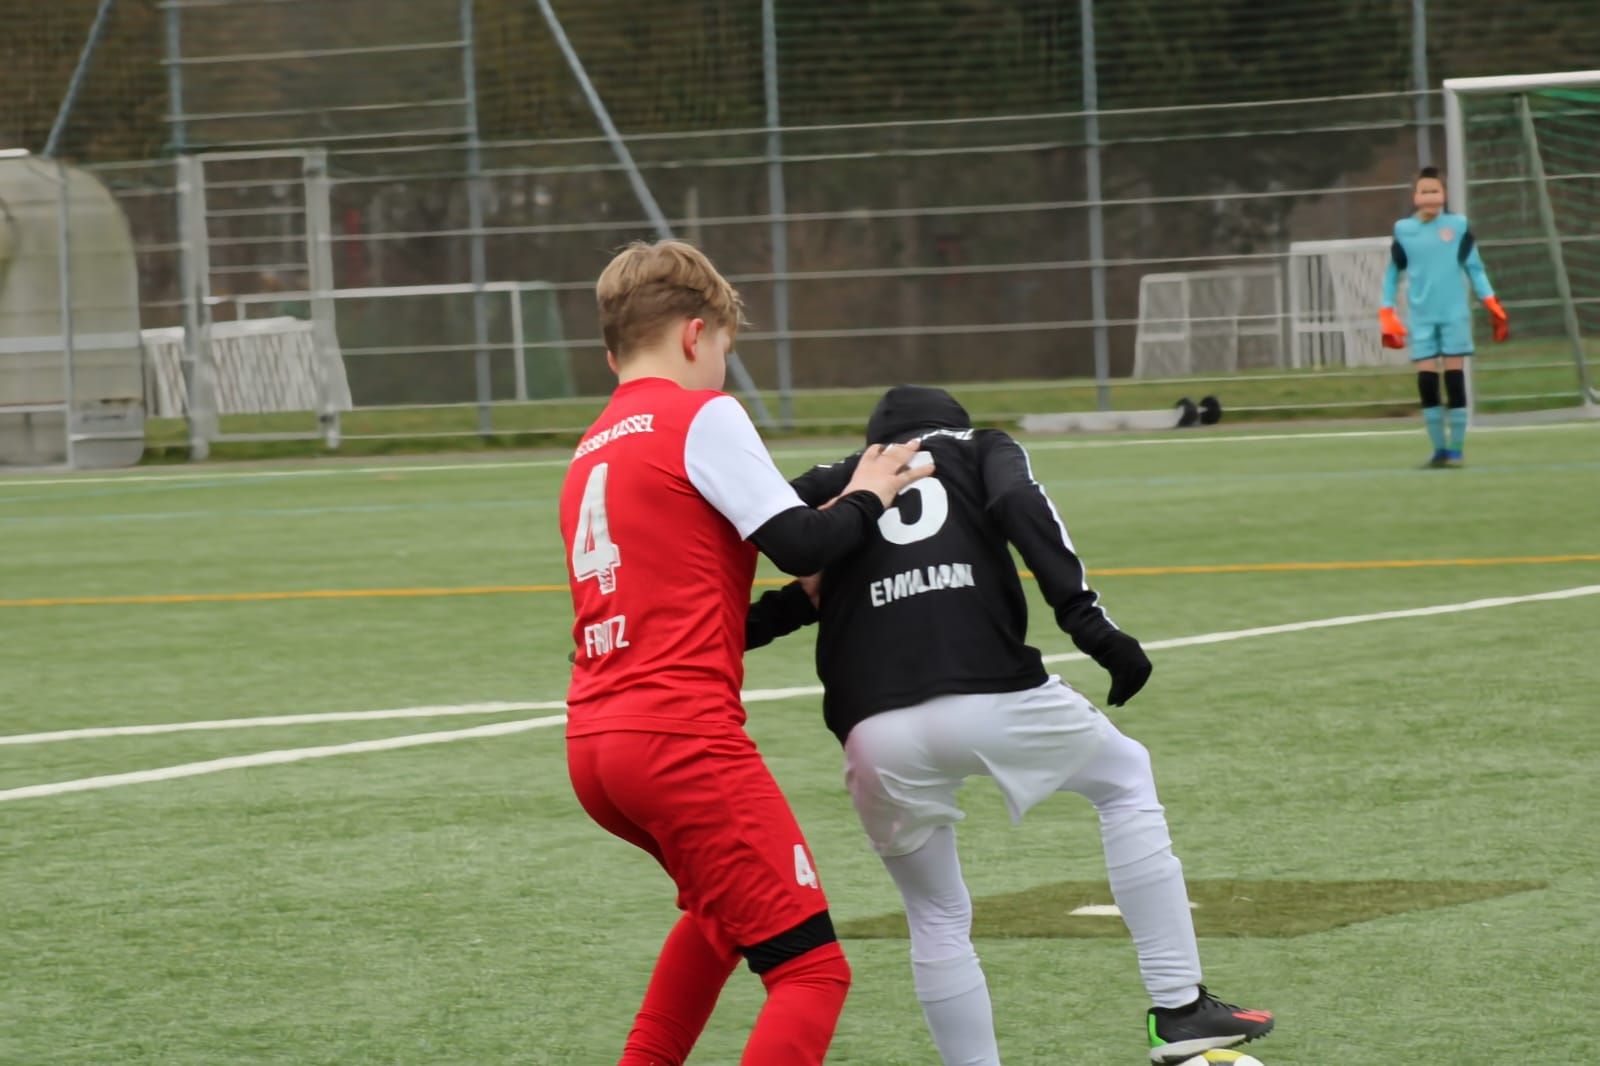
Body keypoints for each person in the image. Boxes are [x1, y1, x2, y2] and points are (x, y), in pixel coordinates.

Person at [747, 385, 1275, 1066]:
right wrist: (1090, 626)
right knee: (1123, 778)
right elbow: (1020, 504)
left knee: (936, 916)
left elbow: (768, 544)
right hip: (992, 688)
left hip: (871, 727)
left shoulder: (846, 478)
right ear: (951, 424)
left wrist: (722, 627)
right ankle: (1178, 1007)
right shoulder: (981, 445)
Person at [559, 241, 933, 1066]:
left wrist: (798, 605)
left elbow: (696, 614)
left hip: (596, 746)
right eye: (726, 348)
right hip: (680, 742)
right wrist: (868, 494)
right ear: (696, 335)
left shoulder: (592, 447)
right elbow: (802, 542)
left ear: (612, 352)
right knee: (812, 973)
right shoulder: (703, 415)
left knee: (719, 920)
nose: (723, 367)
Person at [1379, 165, 1509, 468]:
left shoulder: (1458, 227)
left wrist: (1490, 300)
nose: (1430, 197)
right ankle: (1438, 450)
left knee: (1454, 379)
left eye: (1435, 191)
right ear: (1415, 197)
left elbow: (1475, 269)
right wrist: (1386, 309)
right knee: (1427, 382)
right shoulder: (1404, 231)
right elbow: (1393, 274)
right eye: (1424, 191)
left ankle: (1456, 449)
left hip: (1454, 316)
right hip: (1421, 318)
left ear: (1444, 194)